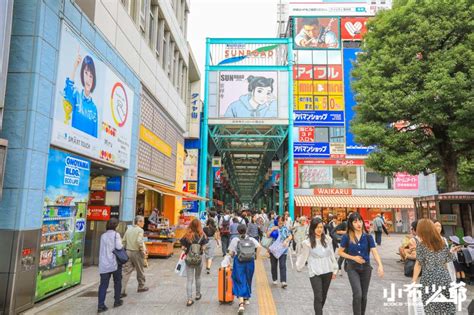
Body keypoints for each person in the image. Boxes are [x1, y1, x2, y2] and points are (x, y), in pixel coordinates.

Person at [338, 212, 384, 315]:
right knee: (357, 294)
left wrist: (380, 265)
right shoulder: (347, 237)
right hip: (352, 268)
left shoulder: (368, 237)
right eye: (355, 222)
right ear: (351, 224)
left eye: (360, 221)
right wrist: (353, 257)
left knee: (364, 296)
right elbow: (340, 252)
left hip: (366, 269)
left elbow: (374, 252)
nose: (358, 224)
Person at [412, 219, 457, 314]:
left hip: (429, 279)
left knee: (431, 307)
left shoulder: (422, 245)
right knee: (446, 307)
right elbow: (447, 260)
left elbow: (418, 264)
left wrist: (414, 281)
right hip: (444, 277)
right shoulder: (442, 242)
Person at [296, 218, 338, 315]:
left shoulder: (328, 239)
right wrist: (299, 266)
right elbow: (304, 256)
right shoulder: (308, 243)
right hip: (315, 272)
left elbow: (332, 255)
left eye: (321, 227)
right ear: (313, 228)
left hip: (327, 271)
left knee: (323, 296)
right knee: (318, 296)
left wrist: (335, 269)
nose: (320, 229)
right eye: (317, 227)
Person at [225, 224, 261, 314]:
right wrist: (256, 256)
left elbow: (231, 252)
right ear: (246, 230)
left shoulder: (235, 240)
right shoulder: (251, 239)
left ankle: (241, 304)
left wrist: (230, 255)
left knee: (239, 280)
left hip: (239, 262)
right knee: (248, 279)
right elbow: (259, 247)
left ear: (238, 231)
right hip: (250, 262)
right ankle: (246, 298)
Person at [64, 51, 98, 137]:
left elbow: (95, 135)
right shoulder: (76, 95)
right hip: (73, 143)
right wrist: (75, 67)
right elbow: (67, 96)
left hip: (87, 149)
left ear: (94, 79)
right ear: (82, 74)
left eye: (91, 76)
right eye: (86, 73)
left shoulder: (94, 108)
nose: (88, 79)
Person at [180, 219, 208, 306]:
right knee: (198, 277)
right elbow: (204, 248)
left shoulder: (187, 235)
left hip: (189, 260)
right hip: (199, 259)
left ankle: (189, 299)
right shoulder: (202, 235)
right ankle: (198, 294)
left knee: (189, 280)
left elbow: (183, 248)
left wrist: (187, 249)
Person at [98, 218, 123, 313]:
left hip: (104, 264)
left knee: (103, 285)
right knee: (117, 282)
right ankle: (117, 301)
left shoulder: (103, 236)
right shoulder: (116, 235)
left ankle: (100, 305)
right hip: (114, 263)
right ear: (116, 225)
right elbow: (119, 247)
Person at [121, 215, 148, 296]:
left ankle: (122, 290)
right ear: (139, 222)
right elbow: (139, 241)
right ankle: (141, 286)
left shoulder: (129, 229)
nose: (144, 223)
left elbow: (123, 241)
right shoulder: (140, 230)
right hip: (137, 252)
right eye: (143, 221)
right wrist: (142, 250)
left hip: (128, 252)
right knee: (140, 270)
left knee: (126, 271)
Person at [267, 216, 293, 288]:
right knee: (273, 265)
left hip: (283, 250)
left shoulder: (285, 228)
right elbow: (267, 235)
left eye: (282, 220)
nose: (280, 222)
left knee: (282, 265)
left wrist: (286, 240)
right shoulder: (273, 227)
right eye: (279, 221)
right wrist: (272, 229)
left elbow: (290, 236)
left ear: (284, 221)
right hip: (273, 250)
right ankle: (274, 279)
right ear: (277, 221)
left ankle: (283, 281)